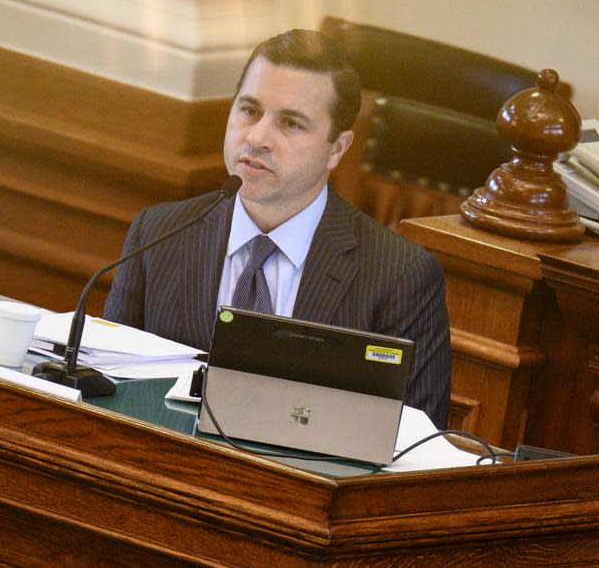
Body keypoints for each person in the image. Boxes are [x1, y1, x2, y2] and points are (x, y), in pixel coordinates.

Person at [103, 29, 451, 427]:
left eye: (290, 123)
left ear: (337, 148)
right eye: (249, 110)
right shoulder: (159, 234)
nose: (257, 138)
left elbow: (418, 441)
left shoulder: (399, 275)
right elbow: (108, 385)